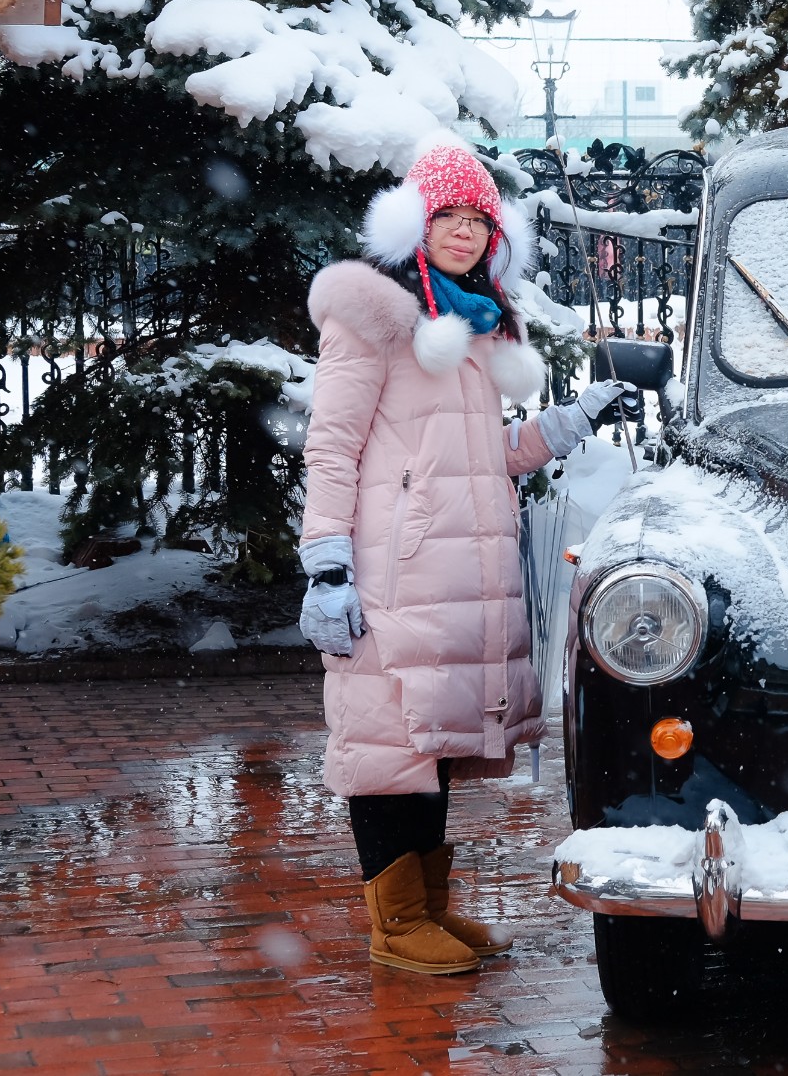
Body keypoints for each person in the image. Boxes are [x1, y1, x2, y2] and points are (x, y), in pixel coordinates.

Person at [298, 143, 631, 975]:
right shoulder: (372, 318)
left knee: (434, 742)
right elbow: (332, 446)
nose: (463, 233)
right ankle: (394, 922)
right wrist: (326, 565)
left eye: (476, 220)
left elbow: (487, 455)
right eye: (445, 217)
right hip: (394, 571)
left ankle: (428, 911)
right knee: (388, 748)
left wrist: (568, 423)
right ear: (416, 226)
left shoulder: (476, 327)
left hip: (464, 575)